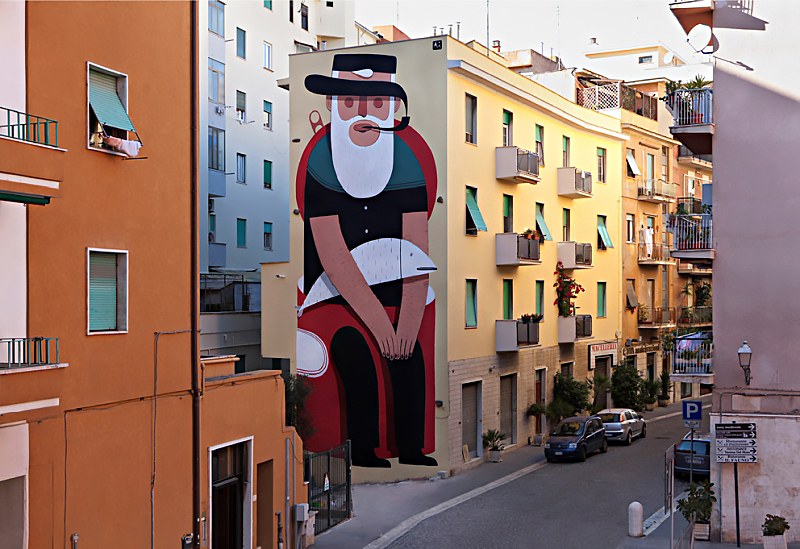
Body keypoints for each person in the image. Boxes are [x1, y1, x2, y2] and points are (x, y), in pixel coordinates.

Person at [297, 53, 437, 467]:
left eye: (376, 103)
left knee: (409, 359)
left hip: (401, 292)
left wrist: (405, 326)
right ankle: (365, 451)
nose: (362, 113)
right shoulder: (321, 165)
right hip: (333, 297)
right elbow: (334, 257)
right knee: (356, 357)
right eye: (349, 102)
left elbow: (418, 249)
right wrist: (381, 327)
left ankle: (411, 449)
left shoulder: (406, 163)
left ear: (391, 109)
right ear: (332, 107)